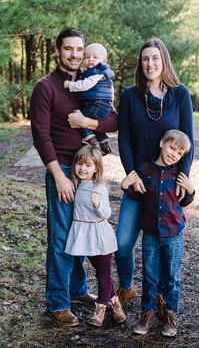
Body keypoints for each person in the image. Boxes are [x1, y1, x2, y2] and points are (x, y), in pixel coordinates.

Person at [30, 28, 118, 327]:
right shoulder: (46, 87)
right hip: (64, 171)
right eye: (69, 49)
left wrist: (86, 121)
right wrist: (58, 176)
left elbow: (113, 120)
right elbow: (41, 136)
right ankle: (57, 303)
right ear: (58, 51)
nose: (75, 54)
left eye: (79, 49)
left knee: (81, 234)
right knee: (60, 239)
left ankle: (78, 290)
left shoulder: (91, 79)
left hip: (88, 172)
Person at [116, 37, 194, 305]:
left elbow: (189, 140)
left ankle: (161, 298)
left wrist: (183, 177)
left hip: (167, 185)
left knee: (163, 246)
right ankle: (126, 286)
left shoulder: (180, 94)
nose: (150, 63)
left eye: (155, 58)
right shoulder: (129, 95)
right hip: (138, 183)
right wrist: (131, 173)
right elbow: (124, 139)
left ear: (164, 61)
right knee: (123, 244)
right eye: (145, 58)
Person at [121, 129, 195, 337]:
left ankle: (170, 315)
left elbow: (185, 201)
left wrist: (191, 190)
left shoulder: (179, 174)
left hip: (174, 235)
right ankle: (147, 314)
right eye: (172, 147)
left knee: (172, 277)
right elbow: (137, 195)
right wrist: (126, 187)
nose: (174, 154)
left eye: (179, 153)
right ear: (162, 143)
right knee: (150, 275)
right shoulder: (145, 170)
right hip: (151, 235)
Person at [65, 145, 126, 327]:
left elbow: (107, 213)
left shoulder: (98, 188)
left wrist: (98, 204)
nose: (82, 168)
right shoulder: (76, 184)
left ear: (96, 168)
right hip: (84, 235)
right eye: (79, 164)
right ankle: (116, 304)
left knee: (103, 274)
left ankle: (100, 309)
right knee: (102, 274)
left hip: (99, 235)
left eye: (88, 165)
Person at [64, 43, 114, 156]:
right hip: (104, 106)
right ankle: (104, 143)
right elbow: (111, 93)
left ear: (104, 60)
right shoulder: (103, 74)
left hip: (98, 105)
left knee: (79, 119)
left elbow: (85, 85)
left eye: (95, 57)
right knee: (96, 127)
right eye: (87, 57)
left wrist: (70, 85)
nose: (90, 60)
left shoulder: (97, 73)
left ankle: (92, 141)